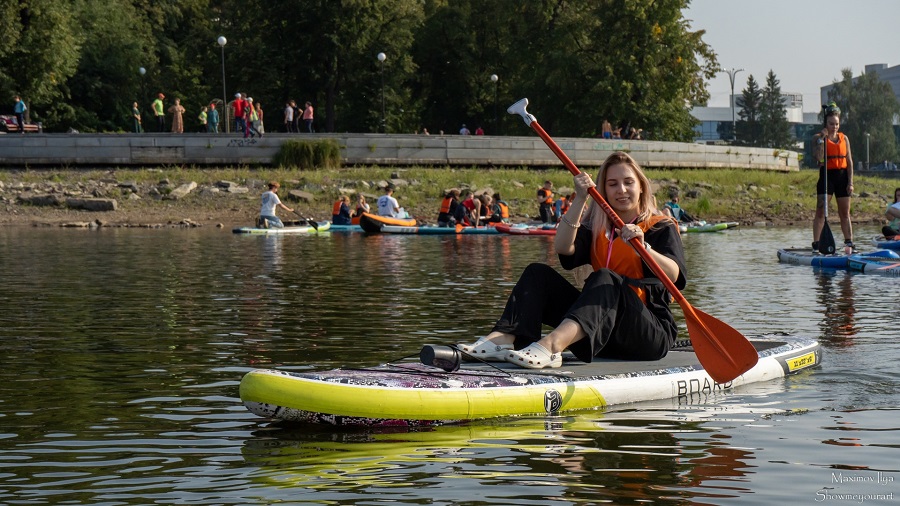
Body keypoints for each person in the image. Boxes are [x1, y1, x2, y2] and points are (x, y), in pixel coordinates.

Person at [456, 151, 686, 369]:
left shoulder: (660, 226)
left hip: (647, 335)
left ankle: (552, 345)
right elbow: (564, 248)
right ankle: (504, 337)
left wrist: (643, 248)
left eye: (628, 182)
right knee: (537, 273)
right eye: (612, 184)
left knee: (605, 278)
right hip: (601, 331)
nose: (621, 190)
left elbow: (674, 275)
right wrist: (579, 200)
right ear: (603, 189)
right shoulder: (597, 229)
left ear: (641, 187)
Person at [812, 101, 854, 252]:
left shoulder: (845, 139)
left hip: (842, 177)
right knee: (821, 212)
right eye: (831, 124)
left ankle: (849, 242)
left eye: (836, 124)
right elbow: (817, 157)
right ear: (826, 124)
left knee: (844, 213)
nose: (834, 127)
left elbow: (849, 162)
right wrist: (821, 139)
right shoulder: (818, 138)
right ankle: (817, 243)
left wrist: (850, 182)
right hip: (826, 176)